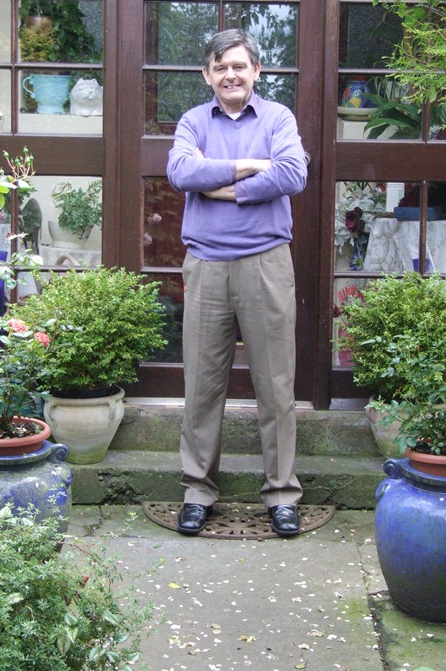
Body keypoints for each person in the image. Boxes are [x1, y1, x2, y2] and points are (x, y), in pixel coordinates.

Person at [167, 28, 308, 537]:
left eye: (239, 66)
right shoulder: (192, 122)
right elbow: (182, 172)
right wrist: (250, 167)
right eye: (221, 67)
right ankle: (197, 491)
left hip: (266, 265)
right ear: (207, 74)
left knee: (276, 386)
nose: (231, 75)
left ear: (256, 71)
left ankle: (282, 494)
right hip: (206, 266)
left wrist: (226, 188)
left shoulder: (278, 118)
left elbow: (292, 174)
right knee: (202, 386)